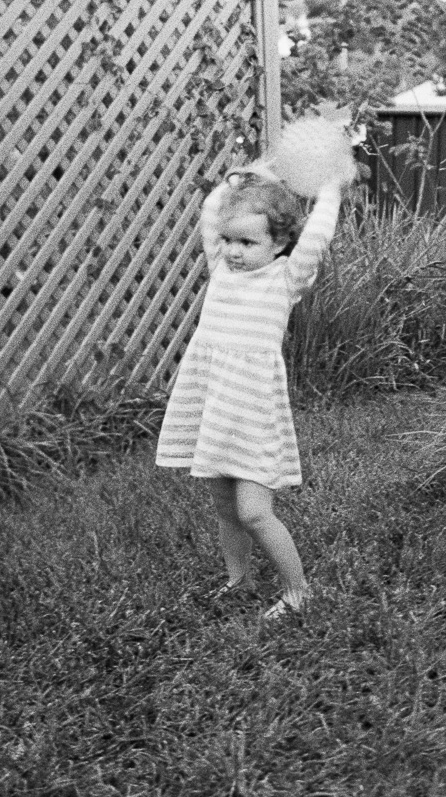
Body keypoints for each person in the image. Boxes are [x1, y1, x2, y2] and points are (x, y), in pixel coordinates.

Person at [154, 164, 349, 619]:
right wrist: (243, 178)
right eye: (229, 241)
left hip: (252, 410)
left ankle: (298, 590)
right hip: (215, 404)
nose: (234, 252)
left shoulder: (285, 279)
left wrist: (330, 186)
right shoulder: (221, 270)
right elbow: (210, 212)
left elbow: (317, 236)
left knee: (255, 511)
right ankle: (238, 579)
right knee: (225, 506)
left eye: (248, 242)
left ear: (279, 243)